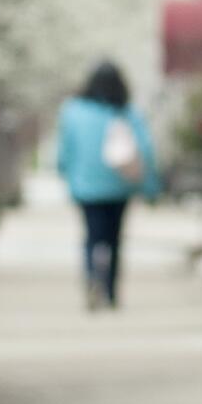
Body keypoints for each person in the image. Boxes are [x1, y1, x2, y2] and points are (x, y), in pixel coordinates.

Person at [56, 62, 160, 310]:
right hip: (119, 186)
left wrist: (65, 173)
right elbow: (145, 150)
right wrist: (151, 186)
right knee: (114, 239)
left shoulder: (73, 111)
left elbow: (63, 151)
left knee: (92, 237)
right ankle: (111, 290)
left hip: (85, 187)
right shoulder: (127, 112)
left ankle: (93, 277)